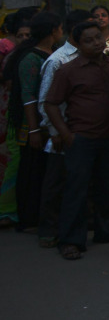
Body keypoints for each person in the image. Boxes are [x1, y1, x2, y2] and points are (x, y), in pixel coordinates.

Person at [43, 21, 109, 261]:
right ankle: (71, 240)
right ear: (78, 44)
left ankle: (104, 230)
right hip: (81, 138)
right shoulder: (68, 70)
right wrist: (65, 134)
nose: (97, 43)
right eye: (89, 40)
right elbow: (51, 104)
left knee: (105, 187)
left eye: (99, 38)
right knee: (76, 189)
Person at [36, 8, 93, 248]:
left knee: (79, 183)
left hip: (84, 133)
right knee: (57, 183)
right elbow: (46, 102)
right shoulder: (59, 60)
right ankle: (50, 231)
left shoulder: (91, 58)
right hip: (63, 133)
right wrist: (56, 132)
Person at [10, 12, 61, 233]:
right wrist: (33, 130)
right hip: (35, 125)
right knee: (32, 171)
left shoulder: (51, 54)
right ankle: (29, 219)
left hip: (49, 124)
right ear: (53, 31)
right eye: (59, 28)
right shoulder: (31, 59)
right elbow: (28, 97)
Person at [0, 12, 32, 227]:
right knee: (13, 160)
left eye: (27, 35)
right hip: (10, 115)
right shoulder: (14, 55)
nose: (23, 39)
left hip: (14, 115)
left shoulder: (20, 55)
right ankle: (6, 209)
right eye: (20, 35)